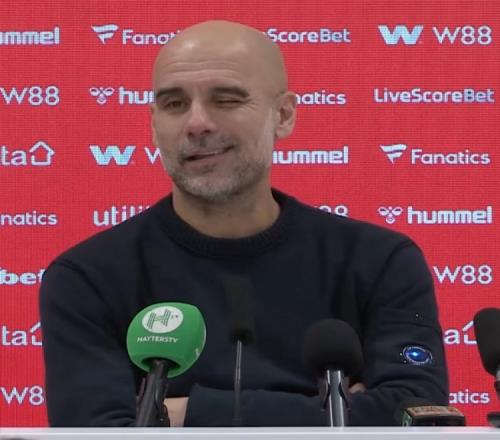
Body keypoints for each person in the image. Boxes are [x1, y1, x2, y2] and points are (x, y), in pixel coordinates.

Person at [39, 20, 448, 427]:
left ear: (283, 115)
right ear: (153, 122)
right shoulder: (88, 276)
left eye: (226, 100)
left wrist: (185, 413)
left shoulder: (380, 261)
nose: (197, 123)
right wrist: (331, 413)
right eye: (174, 104)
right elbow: (96, 431)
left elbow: (417, 415)